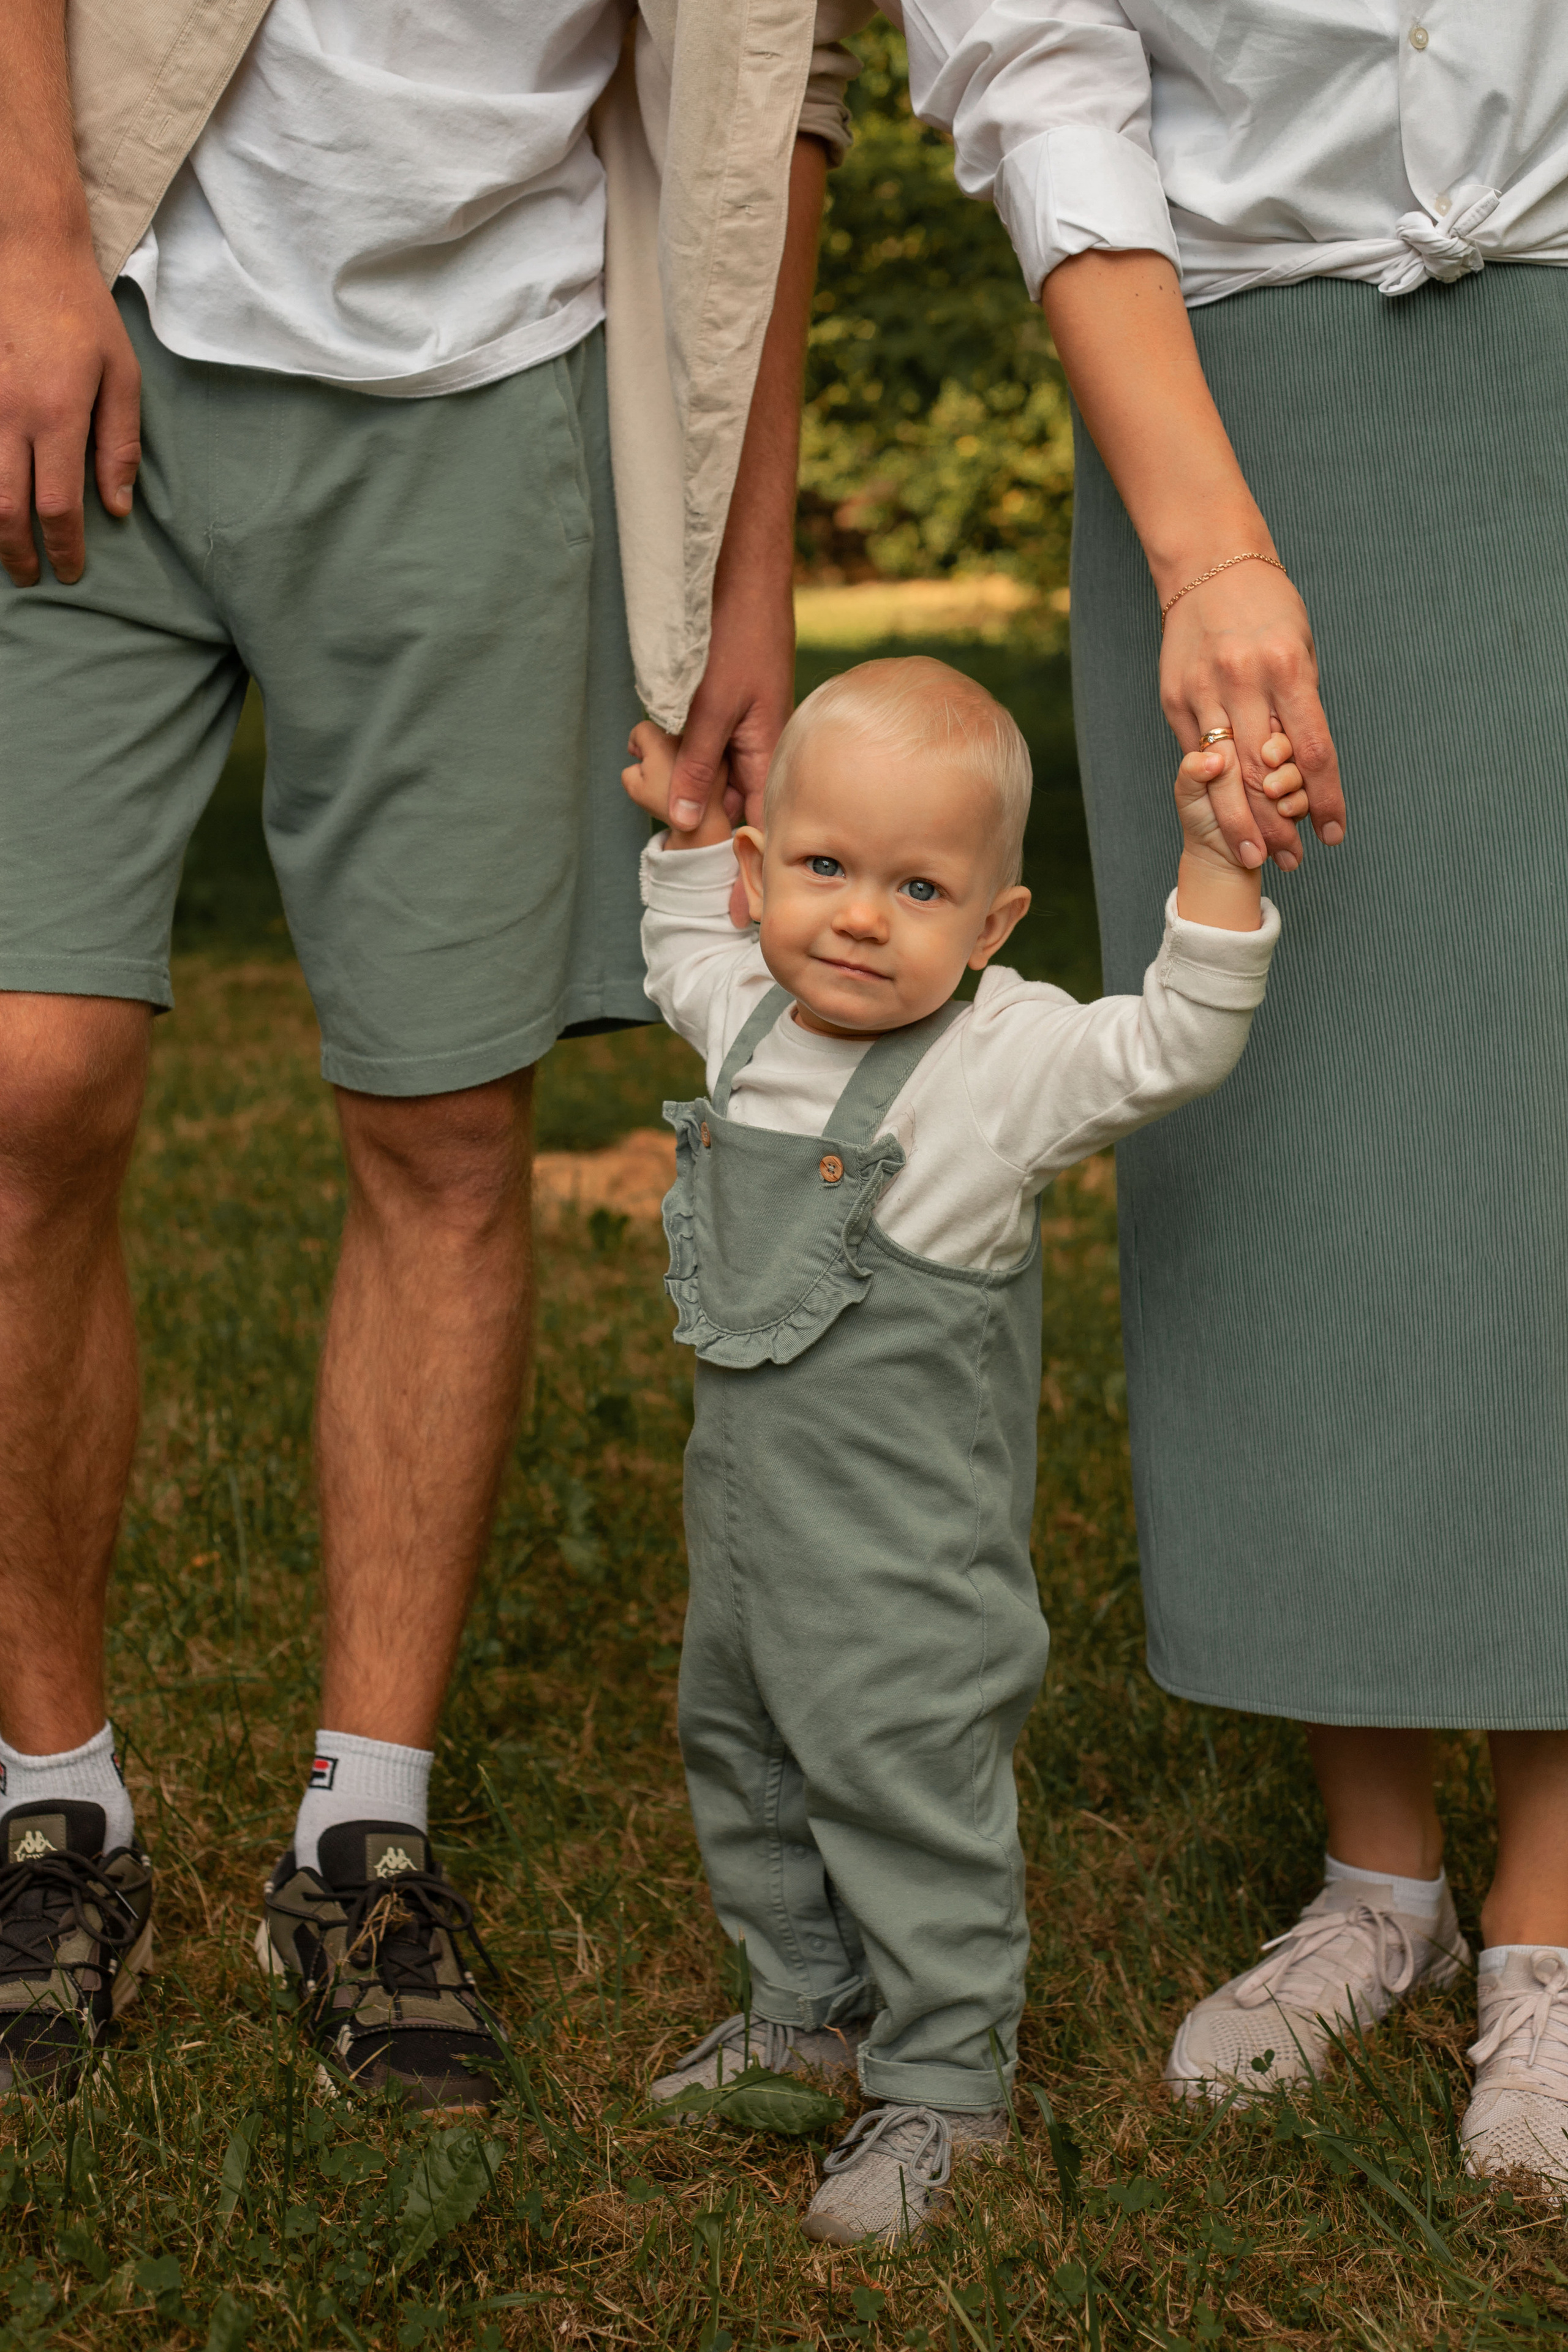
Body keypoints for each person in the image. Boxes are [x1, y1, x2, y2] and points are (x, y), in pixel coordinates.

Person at [0, 0, 869, 2106]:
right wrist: (27, 236)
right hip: (102, 303)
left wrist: (748, 572)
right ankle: (53, 1810)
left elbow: (782, 107)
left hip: (494, 390)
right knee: (26, 1085)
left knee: (450, 1131)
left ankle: (360, 1831)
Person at [885, 0, 1568, 2189]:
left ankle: (1557, 1925)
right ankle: (1377, 1871)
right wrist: (1207, 546)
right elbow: (1036, 59)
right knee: (1288, 1110)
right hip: (1213, 385)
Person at [619, 657, 1284, 2244]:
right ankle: (804, 2010)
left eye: (919, 889)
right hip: (756, 1539)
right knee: (751, 1762)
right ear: (766, 876)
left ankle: (947, 2082)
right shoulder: (744, 1010)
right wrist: (682, 830)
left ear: (992, 927)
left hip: (910, 1567)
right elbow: (671, 941)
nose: (860, 918)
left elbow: (1175, 1042)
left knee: (909, 1803)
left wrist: (1217, 867)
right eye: (827, 870)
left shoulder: (1003, 1067)